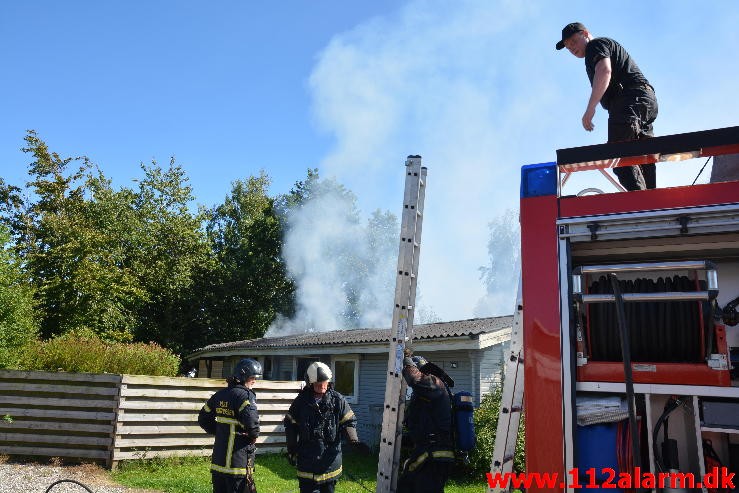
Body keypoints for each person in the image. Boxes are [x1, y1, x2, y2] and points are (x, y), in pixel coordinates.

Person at [557, 22, 659, 191]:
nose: (571, 48)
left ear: (585, 33)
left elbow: (604, 71)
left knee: (619, 157)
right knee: (642, 156)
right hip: (643, 100)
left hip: (631, 100)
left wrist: (590, 108)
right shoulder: (599, 48)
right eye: (568, 47)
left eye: (573, 41)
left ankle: (643, 204)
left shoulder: (595, 45)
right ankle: (654, 202)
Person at [283, 361, 370, 493]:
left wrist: (353, 441)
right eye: (318, 383)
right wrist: (292, 448)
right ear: (310, 383)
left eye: (325, 382)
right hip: (307, 463)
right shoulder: (300, 402)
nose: (323, 386)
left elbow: (348, 421)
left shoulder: (338, 400)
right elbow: (290, 424)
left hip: (330, 464)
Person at [199, 358, 262, 493]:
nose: (254, 381)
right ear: (243, 376)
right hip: (238, 464)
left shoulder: (219, 395)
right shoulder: (245, 396)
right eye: (252, 377)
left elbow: (203, 418)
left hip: (218, 464)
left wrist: (220, 431)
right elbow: (252, 422)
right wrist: (253, 436)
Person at [397, 349, 455, 493]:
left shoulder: (435, 384)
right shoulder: (427, 397)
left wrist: (406, 359)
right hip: (428, 453)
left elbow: (414, 378)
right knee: (405, 487)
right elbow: (425, 426)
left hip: (434, 456)